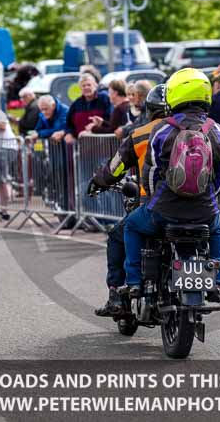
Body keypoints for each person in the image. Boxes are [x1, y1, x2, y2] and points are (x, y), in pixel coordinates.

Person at [123, 68, 220, 303]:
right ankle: (218, 283)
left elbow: (150, 173)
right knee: (216, 231)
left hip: (164, 209)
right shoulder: (219, 132)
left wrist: (153, 201)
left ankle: (134, 283)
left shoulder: (162, 129)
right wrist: (208, 196)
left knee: (131, 225)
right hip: (204, 210)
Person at [89, 85, 168, 316]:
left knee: (117, 235)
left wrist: (98, 180)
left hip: (150, 206)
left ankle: (118, 295)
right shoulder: (200, 130)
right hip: (197, 208)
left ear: (150, 110)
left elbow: (116, 167)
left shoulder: (142, 133)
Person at [64, 74, 111, 144]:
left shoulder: (104, 99)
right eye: (83, 86)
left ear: (95, 85)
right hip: (82, 146)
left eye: (89, 85)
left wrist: (93, 129)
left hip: (103, 145)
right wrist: (69, 134)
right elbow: (69, 124)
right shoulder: (76, 104)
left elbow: (110, 121)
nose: (86, 87)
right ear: (80, 88)